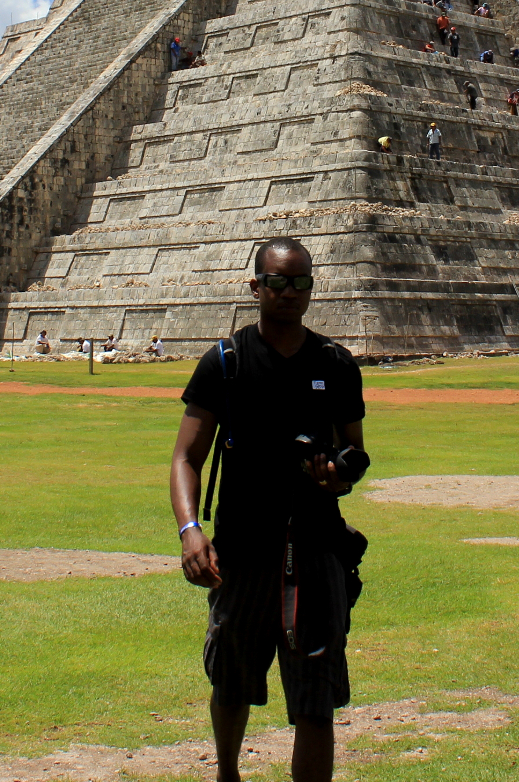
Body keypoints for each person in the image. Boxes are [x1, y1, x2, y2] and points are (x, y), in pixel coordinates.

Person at [170, 237, 368, 782]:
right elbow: (186, 456)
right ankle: (227, 772)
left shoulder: (335, 364)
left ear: (311, 289)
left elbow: (355, 448)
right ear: (255, 286)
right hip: (242, 549)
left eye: (300, 282)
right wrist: (191, 530)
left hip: (316, 549)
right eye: (277, 282)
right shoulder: (225, 362)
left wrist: (339, 473)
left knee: (315, 696)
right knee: (230, 679)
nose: (289, 292)